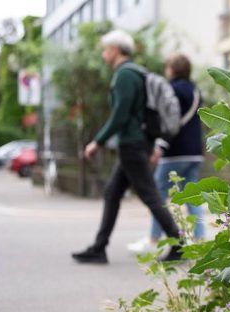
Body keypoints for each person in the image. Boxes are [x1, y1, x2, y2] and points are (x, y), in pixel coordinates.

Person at [71, 29, 182, 264]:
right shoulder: (136, 73)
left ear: (115, 50)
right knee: (113, 193)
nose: (103, 54)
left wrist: (96, 142)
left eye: (105, 49)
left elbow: (121, 115)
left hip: (131, 144)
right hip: (136, 143)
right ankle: (99, 247)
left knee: (150, 196)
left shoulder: (125, 75)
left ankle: (179, 244)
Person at [127, 53, 205, 253]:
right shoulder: (195, 91)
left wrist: (159, 146)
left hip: (175, 151)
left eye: (167, 66)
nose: (165, 69)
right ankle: (200, 240)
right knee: (192, 196)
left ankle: (153, 240)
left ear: (173, 69)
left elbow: (171, 121)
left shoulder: (172, 90)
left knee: (157, 196)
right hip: (195, 152)